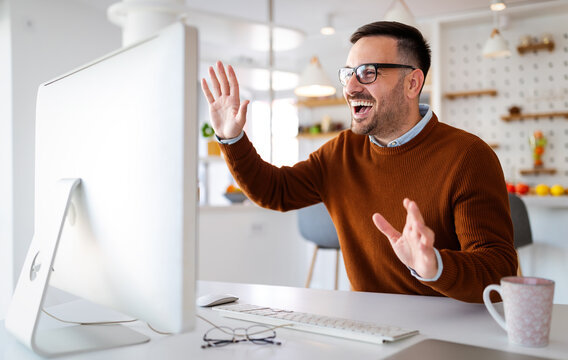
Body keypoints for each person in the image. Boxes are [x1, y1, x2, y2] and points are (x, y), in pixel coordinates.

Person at [200, 21, 517, 303]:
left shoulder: (468, 156)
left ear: (412, 83)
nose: (350, 88)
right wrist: (232, 139)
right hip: (368, 324)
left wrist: (435, 265)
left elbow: (497, 269)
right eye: (348, 74)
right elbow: (274, 191)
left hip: (451, 326)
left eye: (368, 73)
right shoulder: (341, 151)